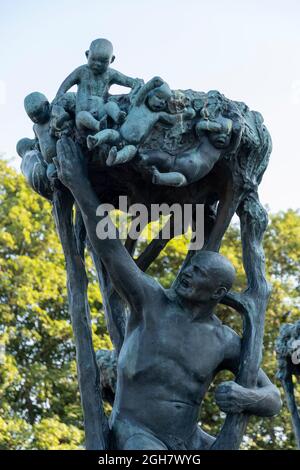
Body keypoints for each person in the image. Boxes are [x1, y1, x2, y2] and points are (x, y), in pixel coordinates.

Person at [53, 136, 281, 450]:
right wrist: (79, 186)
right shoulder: (150, 302)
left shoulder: (225, 340)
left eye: (198, 272)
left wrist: (246, 397)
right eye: (190, 267)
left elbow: (272, 400)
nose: (186, 272)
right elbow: (111, 250)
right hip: (136, 435)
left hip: (191, 441)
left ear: (218, 292)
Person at [86, 76, 195, 167]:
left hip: (133, 144)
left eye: (165, 102)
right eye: (159, 97)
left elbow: (171, 119)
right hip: (120, 135)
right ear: (149, 95)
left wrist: (185, 115)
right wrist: (152, 83)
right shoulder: (139, 104)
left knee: (130, 152)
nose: (162, 103)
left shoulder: (157, 115)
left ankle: (114, 158)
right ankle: (95, 140)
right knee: (109, 133)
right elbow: (143, 91)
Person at [55, 38, 141, 134]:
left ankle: (118, 117)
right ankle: (97, 125)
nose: (97, 64)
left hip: (101, 112)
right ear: (87, 54)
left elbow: (128, 81)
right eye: (93, 59)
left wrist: (137, 83)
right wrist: (58, 97)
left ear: (112, 60)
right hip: (83, 116)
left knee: (110, 105)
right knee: (82, 116)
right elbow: (65, 86)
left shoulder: (110, 74)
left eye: (103, 61)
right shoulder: (81, 71)